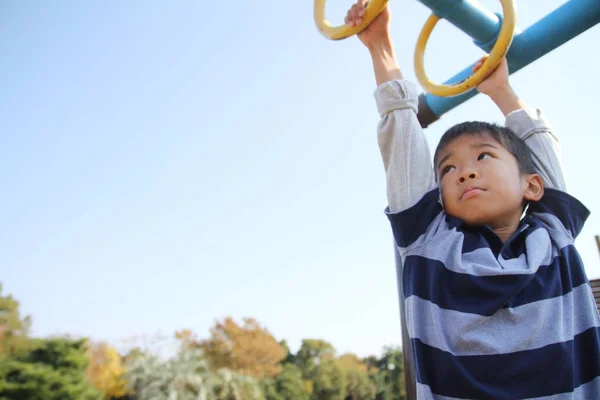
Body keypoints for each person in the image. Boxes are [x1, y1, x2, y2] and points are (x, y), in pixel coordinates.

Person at [344, 1, 600, 398]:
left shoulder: (552, 234)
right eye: (447, 169)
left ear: (533, 187)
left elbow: (541, 152)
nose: (464, 171)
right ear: (438, 197)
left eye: (483, 156)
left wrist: (502, 91)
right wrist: (380, 45)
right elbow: (402, 139)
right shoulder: (430, 241)